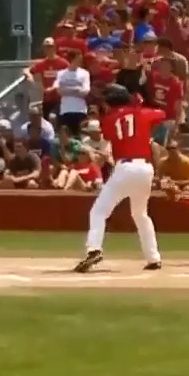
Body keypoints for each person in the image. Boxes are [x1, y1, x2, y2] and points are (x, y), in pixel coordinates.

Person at [74, 85, 165, 273]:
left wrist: (133, 109)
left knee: (98, 212)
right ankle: (153, 257)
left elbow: (111, 133)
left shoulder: (108, 119)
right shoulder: (142, 112)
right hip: (146, 168)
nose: (104, 105)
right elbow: (161, 114)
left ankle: (94, 249)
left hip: (125, 168)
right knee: (140, 214)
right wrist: (140, 106)